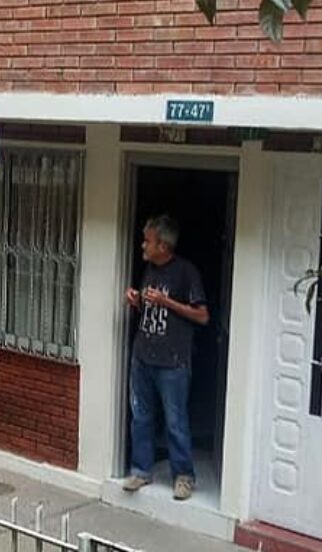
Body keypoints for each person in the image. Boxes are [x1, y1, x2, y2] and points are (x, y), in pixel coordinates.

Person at [123, 215, 209, 501]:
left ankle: (184, 477)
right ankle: (141, 470)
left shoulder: (186, 273)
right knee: (141, 418)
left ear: (163, 244)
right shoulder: (149, 268)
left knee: (175, 422)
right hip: (143, 357)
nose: (142, 245)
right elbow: (150, 311)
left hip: (173, 363)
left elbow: (202, 316)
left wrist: (167, 302)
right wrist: (137, 301)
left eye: (147, 240)